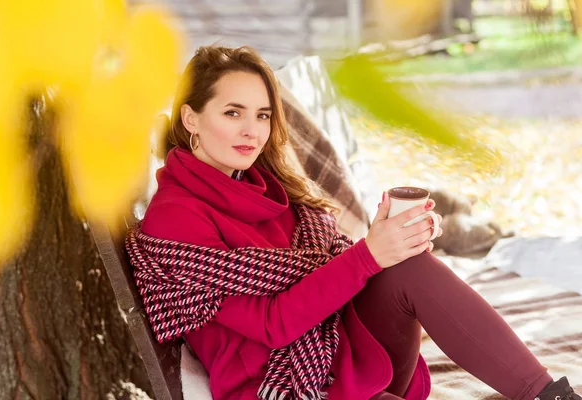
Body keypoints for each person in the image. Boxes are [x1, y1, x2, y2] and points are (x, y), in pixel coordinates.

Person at [126, 45, 581, 400]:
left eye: (262, 115)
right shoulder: (175, 219)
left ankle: (547, 395)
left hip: (340, 356)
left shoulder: (266, 187)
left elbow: (334, 271)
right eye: (233, 113)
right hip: (283, 387)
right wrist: (369, 255)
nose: (252, 131)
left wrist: (395, 244)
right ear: (191, 118)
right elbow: (273, 325)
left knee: (407, 268)